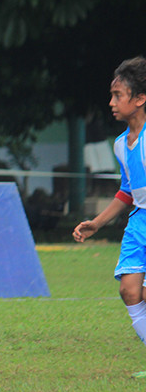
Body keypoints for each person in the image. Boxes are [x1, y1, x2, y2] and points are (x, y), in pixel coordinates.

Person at [73, 56, 146, 375]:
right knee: (129, 291)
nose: (111, 103)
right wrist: (97, 223)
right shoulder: (119, 145)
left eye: (118, 95)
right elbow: (127, 192)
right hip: (139, 222)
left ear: (140, 99)